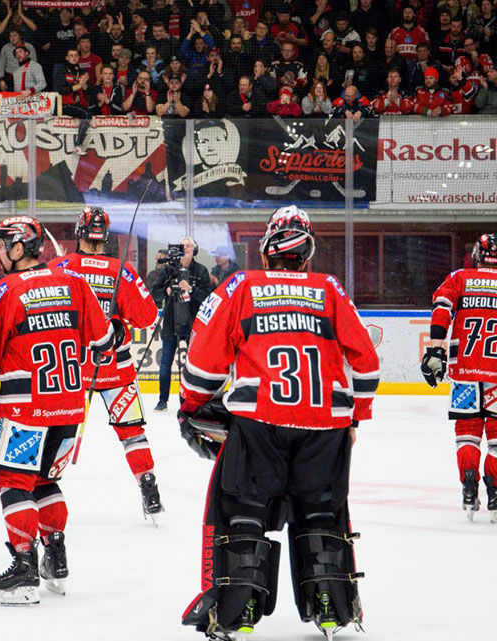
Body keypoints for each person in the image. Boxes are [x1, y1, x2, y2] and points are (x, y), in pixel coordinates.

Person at [178, 206, 379, 639]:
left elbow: (203, 360)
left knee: (244, 511)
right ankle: (331, 603)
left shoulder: (241, 285)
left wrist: (191, 405)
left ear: (267, 250)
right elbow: (367, 361)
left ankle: (239, 609)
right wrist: (356, 417)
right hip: (325, 425)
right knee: (321, 512)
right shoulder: (330, 288)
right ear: (306, 255)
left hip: (260, 423)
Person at [0, 215, 115, 606]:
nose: (0, 252)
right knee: (45, 482)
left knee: (14, 481)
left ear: (20, 248)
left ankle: (24, 567)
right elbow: (105, 340)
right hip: (71, 406)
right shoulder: (75, 283)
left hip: (25, 407)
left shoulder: (2, 292)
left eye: (4, 244)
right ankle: (55, 558)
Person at [48, 207, 162, 520]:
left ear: (78, 232)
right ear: (105, 236)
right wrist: (120, 322)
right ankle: (147, 482)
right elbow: (148, 316)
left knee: (58, 433)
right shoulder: (122, 270)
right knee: (132, 432)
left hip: (71, 371)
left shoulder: (60, 267)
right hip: (117, 367)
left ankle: (43, 488)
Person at [421, 233, 497, 521]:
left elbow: (441, 308)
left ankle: (468, 483)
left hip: (464, 369)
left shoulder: (460, 277)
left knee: (467, 431)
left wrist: (435, 349)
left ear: (478, 254)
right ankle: (495, 488)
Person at [151, 237, 213, 411]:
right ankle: (162, 400)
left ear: (195, 250)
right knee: (165, 363)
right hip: (172, 321)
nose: (185, 248)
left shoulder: (201, 271)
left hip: (193, 322)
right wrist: (166, 290)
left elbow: (209, 297)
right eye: (182, 245)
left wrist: (191, 289)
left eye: (189, 245)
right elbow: (154, 292)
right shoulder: (169, 270)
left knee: (191, 364)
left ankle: (187, 400)